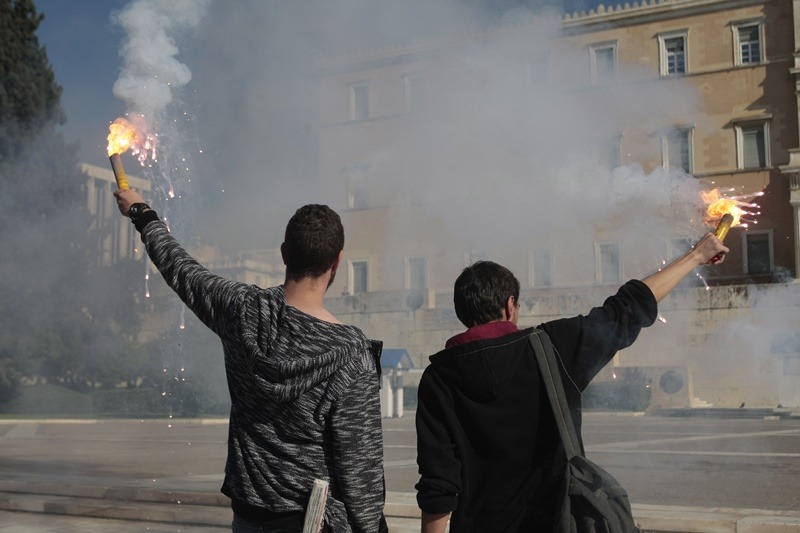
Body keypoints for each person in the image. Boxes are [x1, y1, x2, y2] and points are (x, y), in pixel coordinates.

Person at [114, 189, 388, 533]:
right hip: (314, 523)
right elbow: (361, 479)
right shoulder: (352, 358)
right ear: (336, 262)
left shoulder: (240, 310)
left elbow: (182, 270)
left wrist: (142, 214)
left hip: (249, 518)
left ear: (285, 253)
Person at [415, 234, 728, 532]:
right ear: (511, 305)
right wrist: (696, 255)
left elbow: (438, 483)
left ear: (461, 312)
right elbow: (627, 308)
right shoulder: (551, 346)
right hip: (556, 522)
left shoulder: (438, 378)